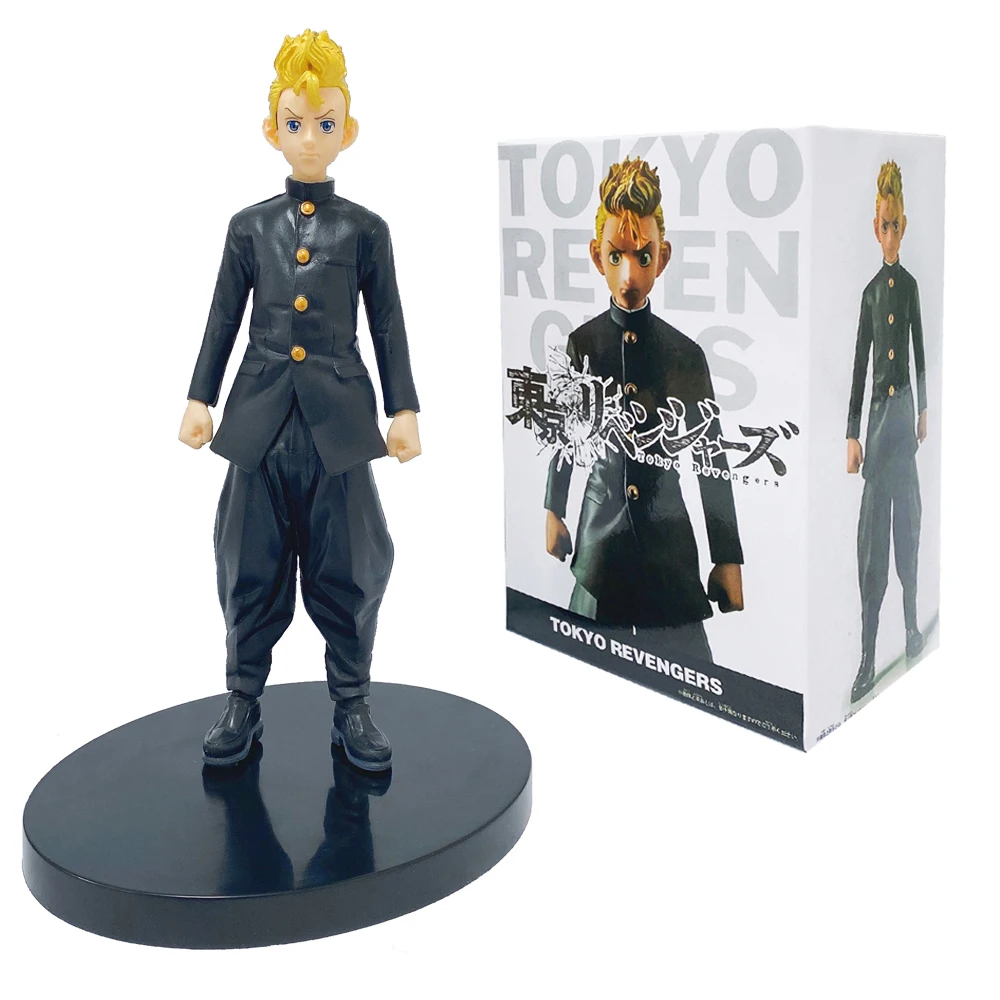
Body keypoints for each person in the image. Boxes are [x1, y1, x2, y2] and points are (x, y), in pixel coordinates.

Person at [178, 29, 421, 769]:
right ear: (271, 129)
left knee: (351, 565)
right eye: (295, 122)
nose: (309, 138)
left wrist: (404, 409)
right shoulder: (249, 228)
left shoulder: (366, 230)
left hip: (338, 430)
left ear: (348, 130)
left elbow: (387, 321)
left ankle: (353, 704)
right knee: (246, 560)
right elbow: (222, 318)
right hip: (258, 423)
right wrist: (199, 397)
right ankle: (242, 698)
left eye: (324, 122)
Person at [544, 158, 744, 662]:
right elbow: (566, 435)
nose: (629, 274)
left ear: (663, 257)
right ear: (597, 256)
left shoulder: (685, 355)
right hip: (598, 550)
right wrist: (553, 508)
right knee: (584, 667)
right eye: (616, 256)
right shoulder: (583, 343)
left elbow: (712, 459)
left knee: (692, 676)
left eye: (643, 255)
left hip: (668, 552)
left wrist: (727, 557)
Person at [846, 160, 926, 702]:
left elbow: (922, 353)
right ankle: (868, 658)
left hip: (904, 428)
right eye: (884, 225)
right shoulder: (871, 293)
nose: (890, 233)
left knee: (910, 531)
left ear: (904, 225)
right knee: (872, 545)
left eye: (896, 224)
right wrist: (851, 433)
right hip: (876, 430)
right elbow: (859, 366)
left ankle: (914, 629)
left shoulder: (911, 287)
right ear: (875, 228)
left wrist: (926, 409)